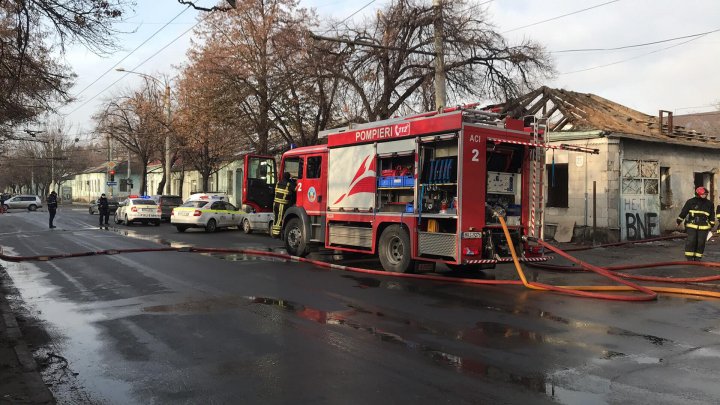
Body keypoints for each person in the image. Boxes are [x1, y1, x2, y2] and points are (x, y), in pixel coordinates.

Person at [677, 186, 714, 261]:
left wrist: (711, 224)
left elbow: (712, 215)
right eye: (703, 194)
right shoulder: (690, 202)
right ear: (698, 194)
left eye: (706, 194)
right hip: (692, 225)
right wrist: (679, 220)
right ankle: (689, 257)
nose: (705, 196)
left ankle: (698, 257)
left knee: (701, 242)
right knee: (691, 240)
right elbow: (684, 212)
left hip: (704, 226)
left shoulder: (709, 204)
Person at [270, 172, 297, 238]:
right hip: (282, 204)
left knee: (275, 217)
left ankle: (274, 233)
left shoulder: (278, 183)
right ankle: (277, 234)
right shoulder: (289, 184)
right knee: (279, 218)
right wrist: (295, 182)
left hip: (275, 203)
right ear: (288, 177)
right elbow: (296, 189)